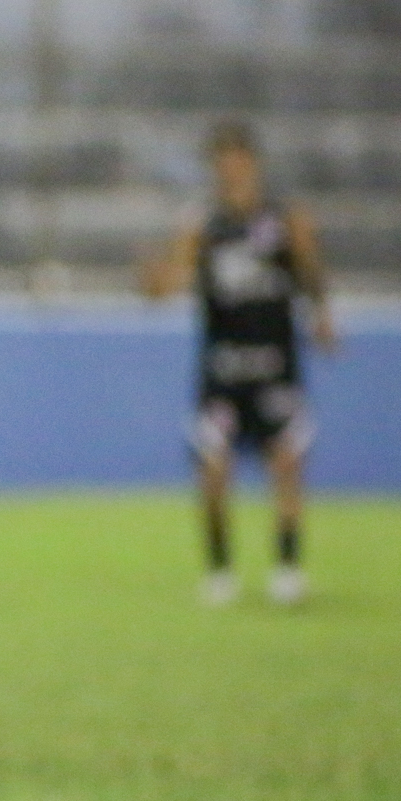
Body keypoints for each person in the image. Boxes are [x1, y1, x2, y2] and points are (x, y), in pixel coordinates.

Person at [141, 118, 336, 606]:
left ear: (252, 163)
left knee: (287, 463)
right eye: (221, 163)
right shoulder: (203, 225)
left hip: (275, 363)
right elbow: (172, 283)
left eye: (237, 161)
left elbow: (311, 271)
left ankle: (288, 569)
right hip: (223, 368)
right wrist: (153, 282)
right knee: (212, 468)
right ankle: (220, 571)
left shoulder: (285, 218)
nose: (230, 171)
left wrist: (322, 316)